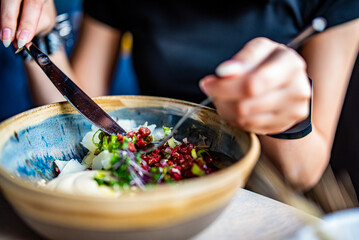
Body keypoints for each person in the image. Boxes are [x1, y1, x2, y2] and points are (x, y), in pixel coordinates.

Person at [1, 0, 358, 192]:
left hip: (263, 200)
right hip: (146, 200)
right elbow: (80, 121)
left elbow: (302, 173)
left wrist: (288, 120)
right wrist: (39, 37)